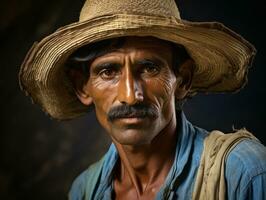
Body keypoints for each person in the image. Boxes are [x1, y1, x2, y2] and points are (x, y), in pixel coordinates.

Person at [19, 0, 266, 199]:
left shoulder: (244, 173)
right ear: (82, 88)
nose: (130, 96)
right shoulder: (84, 190)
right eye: (108, 71)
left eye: (149, 68)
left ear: (183, 79)